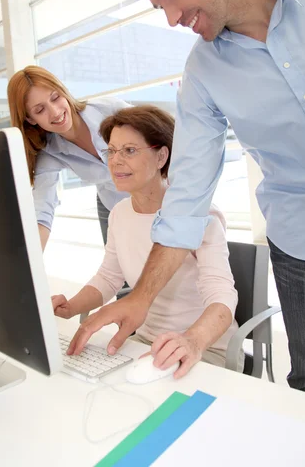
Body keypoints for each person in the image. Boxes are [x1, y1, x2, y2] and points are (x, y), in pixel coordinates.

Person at [68, 0, 305, 399]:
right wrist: (139, 299)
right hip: (302, 242)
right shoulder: (203, 75)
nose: (172, 18)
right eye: (160, 7)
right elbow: (186, 195)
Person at [53, 105, 242, 377]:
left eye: (129, 150)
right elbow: (108, 278)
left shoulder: (200, 216)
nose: (115, 161)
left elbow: (223, 296)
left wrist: (192, 340)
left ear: (162, 156)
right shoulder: (119, 214)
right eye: (112, 151)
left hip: (201, 347)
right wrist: (70, 307)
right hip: (144, 342)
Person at [7, 66, 130, 249]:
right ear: (31, 120)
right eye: (40, 110)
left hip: (154, 194)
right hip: (112, 204)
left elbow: (163, 136)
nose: (55, 112)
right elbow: (42, 209)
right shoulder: (50, 152)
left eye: (55, 98)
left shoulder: (109, 110)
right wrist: (30, 262)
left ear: (64, 92)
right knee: (122, 273)